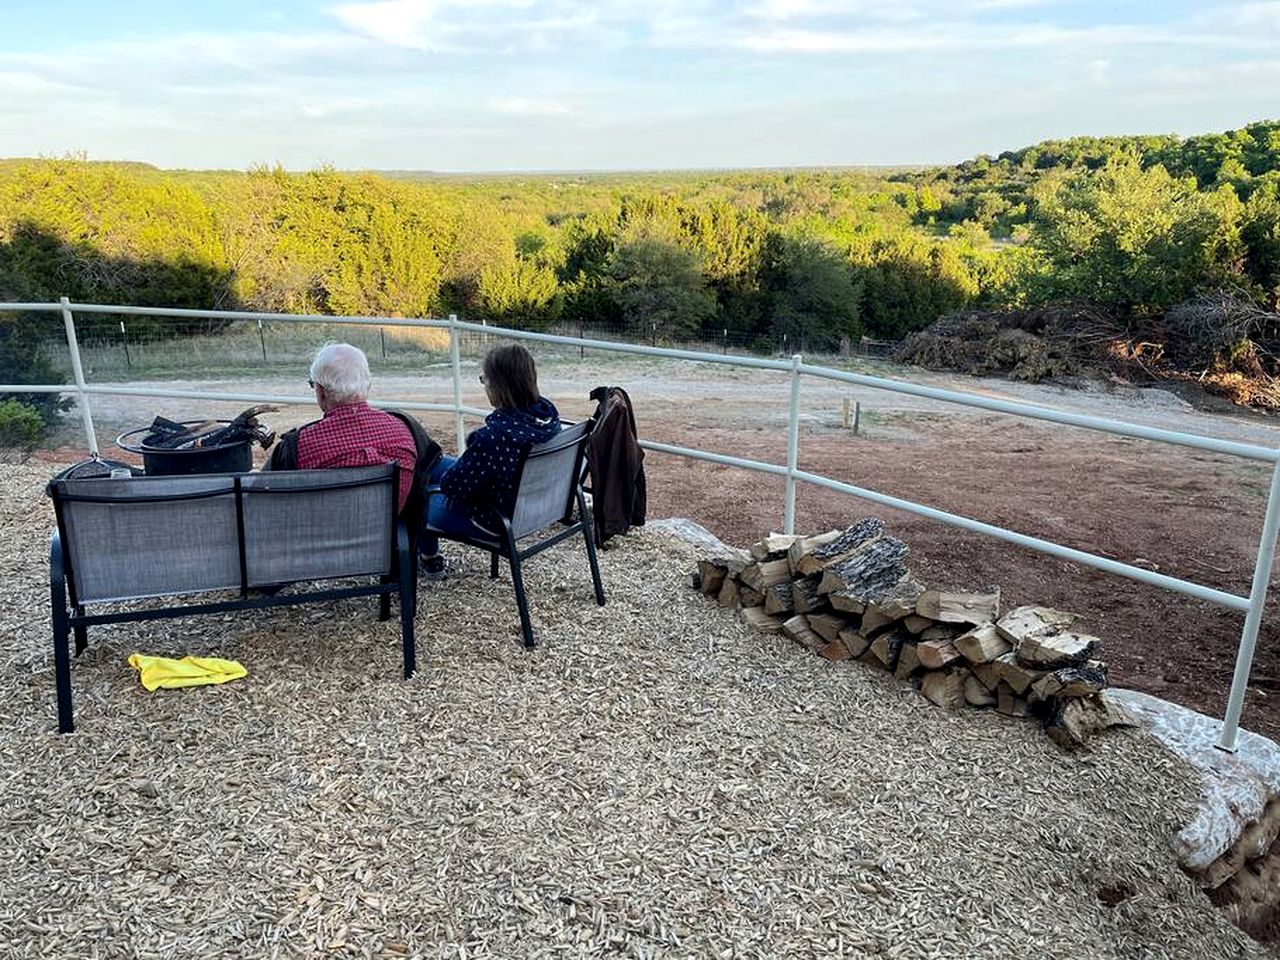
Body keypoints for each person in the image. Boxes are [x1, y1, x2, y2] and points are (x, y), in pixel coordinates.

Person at [420, 343, 561, 579]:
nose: (484, 385)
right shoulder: (547, 418)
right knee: (432, 465)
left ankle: (429, 560)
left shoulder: (493, 438)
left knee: (416, 494)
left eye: (484, 379)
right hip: (527, 507)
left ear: (498, 385)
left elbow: (452, 488)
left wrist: (437, 482)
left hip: (492, 518)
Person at [267, 342, 439, 518]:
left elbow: (264, 499)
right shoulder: (404, 431)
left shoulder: (298, 446)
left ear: (321, 391)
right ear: (368, 384)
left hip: (317, 533)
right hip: (386, 533)